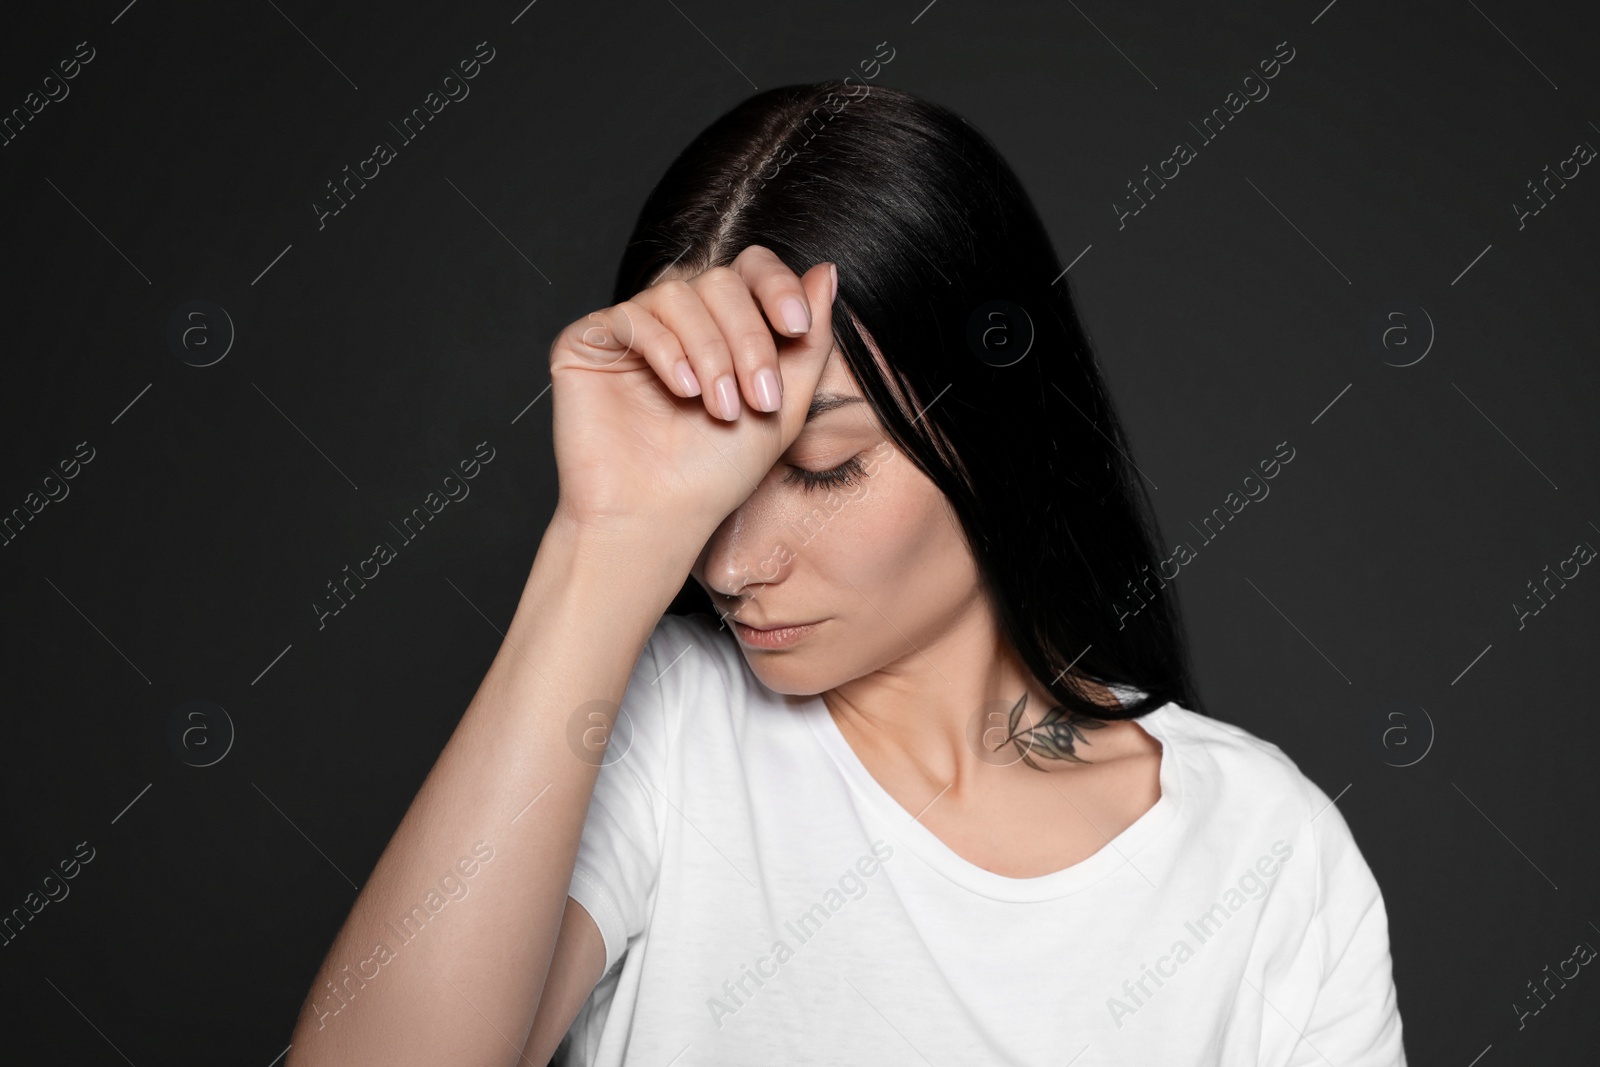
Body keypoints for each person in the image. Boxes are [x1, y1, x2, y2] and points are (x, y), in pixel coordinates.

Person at [286, 80, 1407, 1066]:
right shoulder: (660, 730)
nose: (727, 561)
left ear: (995, 426)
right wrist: (604, 538)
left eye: (822, 465)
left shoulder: (1264, 852)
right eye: (715, 481)